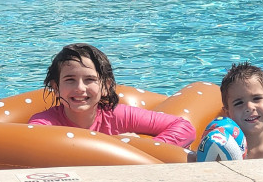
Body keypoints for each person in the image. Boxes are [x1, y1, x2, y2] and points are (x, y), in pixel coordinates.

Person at [28, 43, 195, 148]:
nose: (80, 88)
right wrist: (116, 143)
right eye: (70, 80)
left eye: (90, 79)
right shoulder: (44, 122)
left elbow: (184, 127)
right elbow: (40, 147)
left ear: (106, 87)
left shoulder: (118, 115)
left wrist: (147, 146)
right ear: (56, 88)